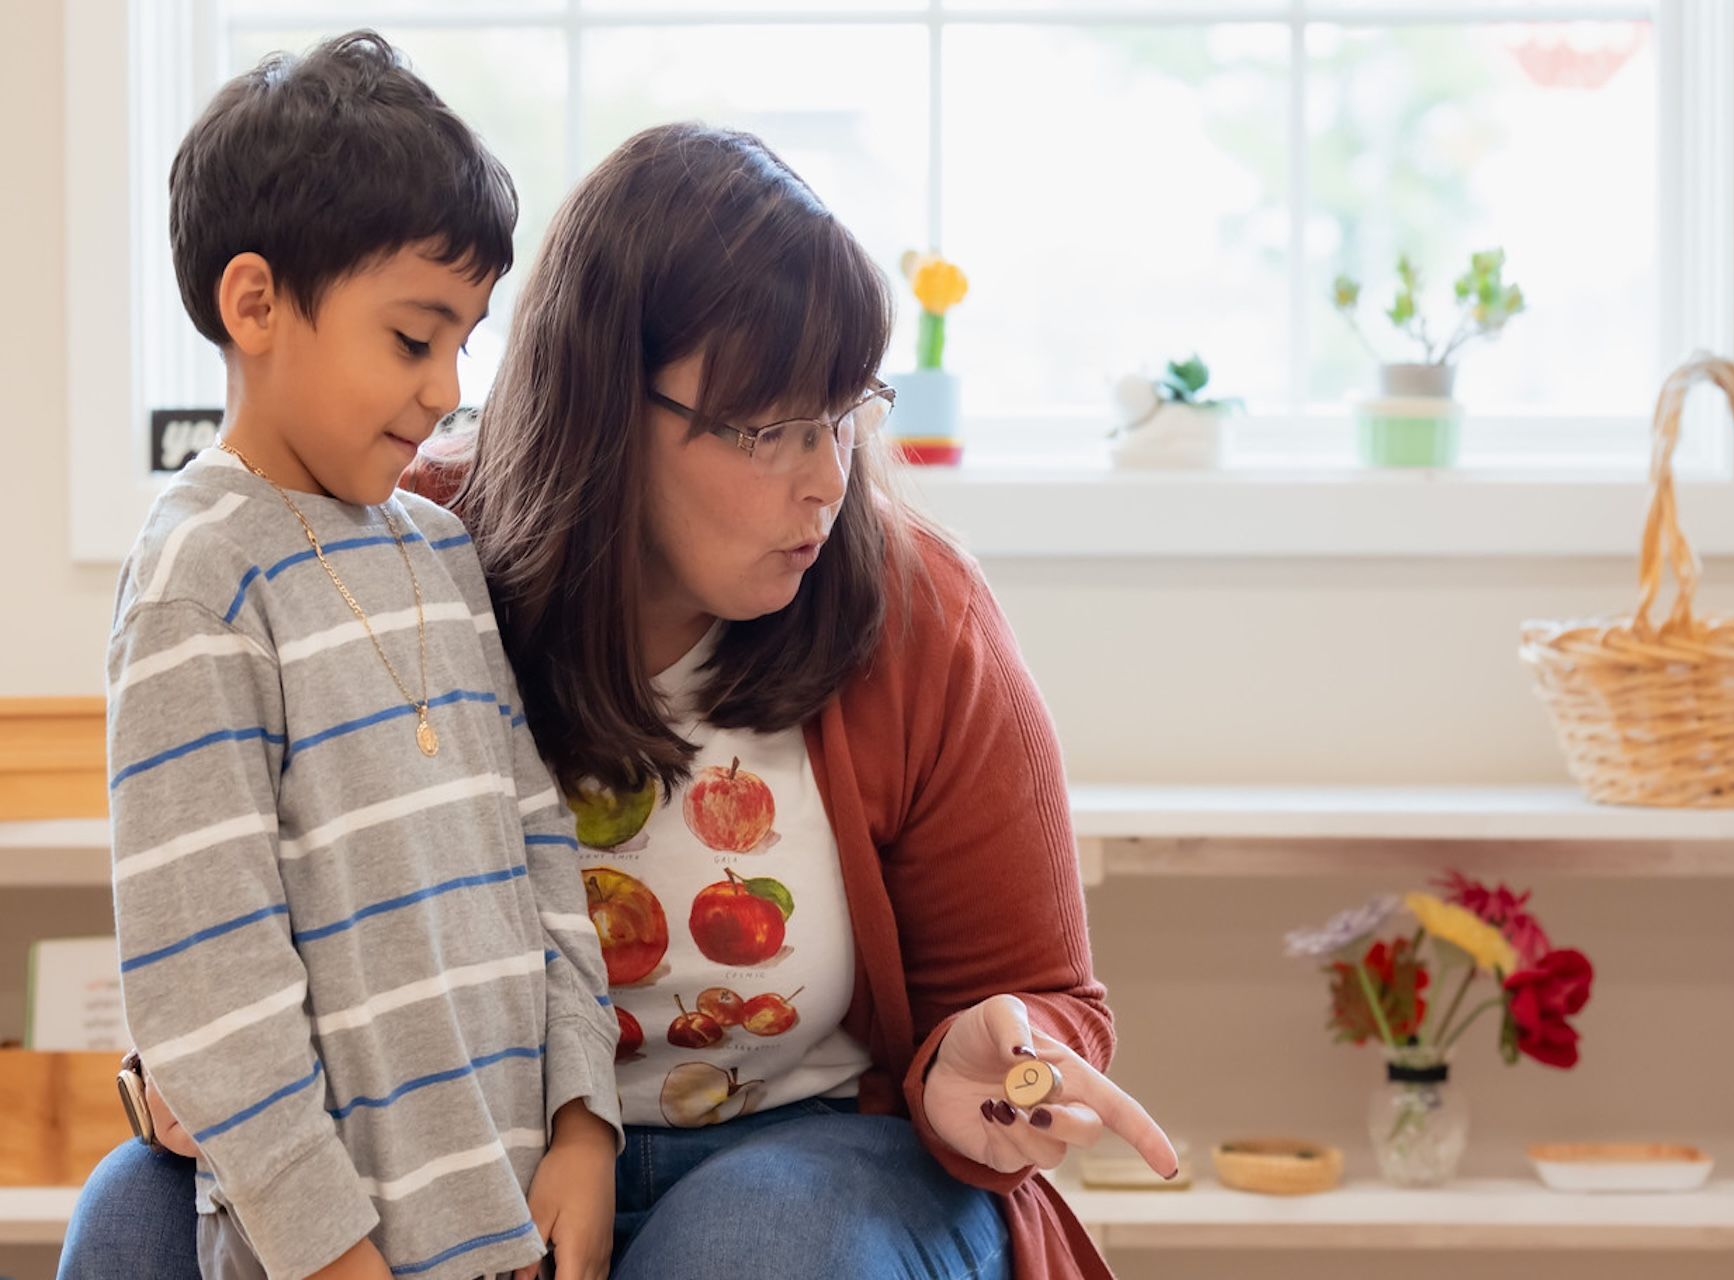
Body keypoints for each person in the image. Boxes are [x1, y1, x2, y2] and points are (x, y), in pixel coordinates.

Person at [61, 115, 1174, 1280]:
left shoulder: (920, 610)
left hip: (809, 1148)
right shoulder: (402, 550)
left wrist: (981, 1068)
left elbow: (1045, 996)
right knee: (135, 1217)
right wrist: (195, 1081)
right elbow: (227, 921)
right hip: (454, 1141)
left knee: (743, 1253)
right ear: (604, 405)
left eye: (846, 413)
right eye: (770, 429)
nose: (827, 480)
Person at [84, 31, 620, 1280]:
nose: (444, 388)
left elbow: (540, 851)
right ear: (256, 305)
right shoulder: (199, 579)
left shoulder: (441, 552)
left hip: (514, 1225)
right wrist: (333, 1256)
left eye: (465, 343)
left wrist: (584, 1122)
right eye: (413, 339)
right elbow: (206, 987)